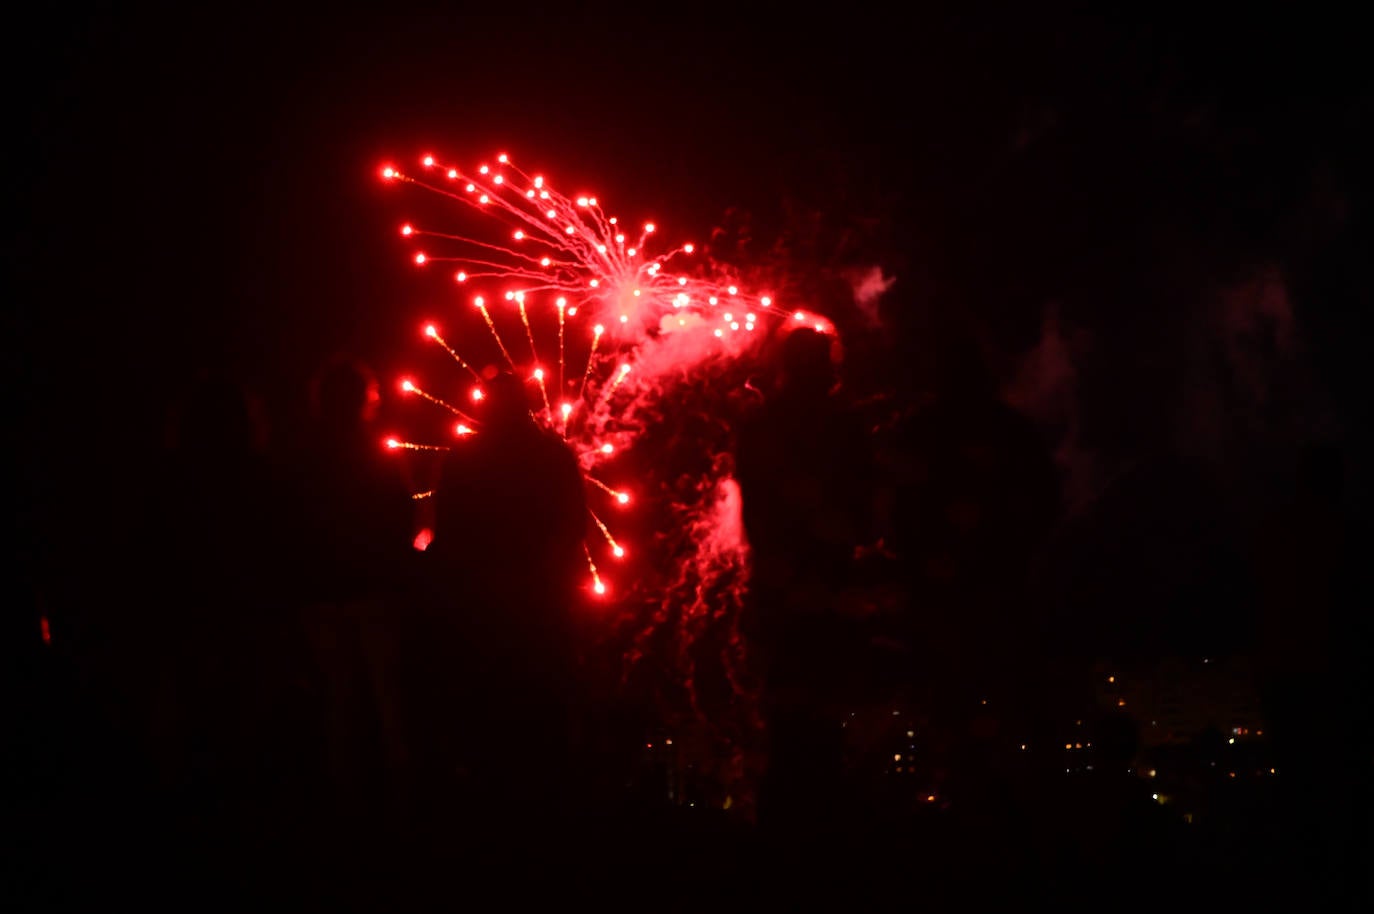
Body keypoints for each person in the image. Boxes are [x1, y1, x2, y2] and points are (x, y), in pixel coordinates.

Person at [419, 367, 588, 851]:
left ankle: (491, 823)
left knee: (490, 709)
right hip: (540, 601)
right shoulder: (553, 455)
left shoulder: (466, 459)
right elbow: (574, 526)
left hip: (485, 603)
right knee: (543, 709)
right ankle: (550, 820)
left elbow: (448, 533)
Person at [734, 327, 875, 837]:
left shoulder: (761, 425)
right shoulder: (846, 426)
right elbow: (866, 514)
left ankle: (783, 822)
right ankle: (822, 820)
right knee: (824, 706)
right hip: (829, 584)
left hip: (779, 582)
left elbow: (755, 510)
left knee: (785, 707)